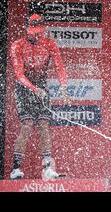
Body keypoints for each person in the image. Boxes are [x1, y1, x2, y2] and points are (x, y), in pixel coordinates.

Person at [9, 13, 68, 180]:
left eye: (39, 32)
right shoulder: (17, 45)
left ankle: (48, 168)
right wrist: (35, 89)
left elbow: (59, 67)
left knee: (43, 126)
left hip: (42, 87)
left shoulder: (50, 44)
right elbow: (19, 74)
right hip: (24, 89)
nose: (36, 35)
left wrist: (64, 88)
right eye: (33, 32)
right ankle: (15, 169)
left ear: (43, 30)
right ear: (27, 30)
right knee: (26, 126)